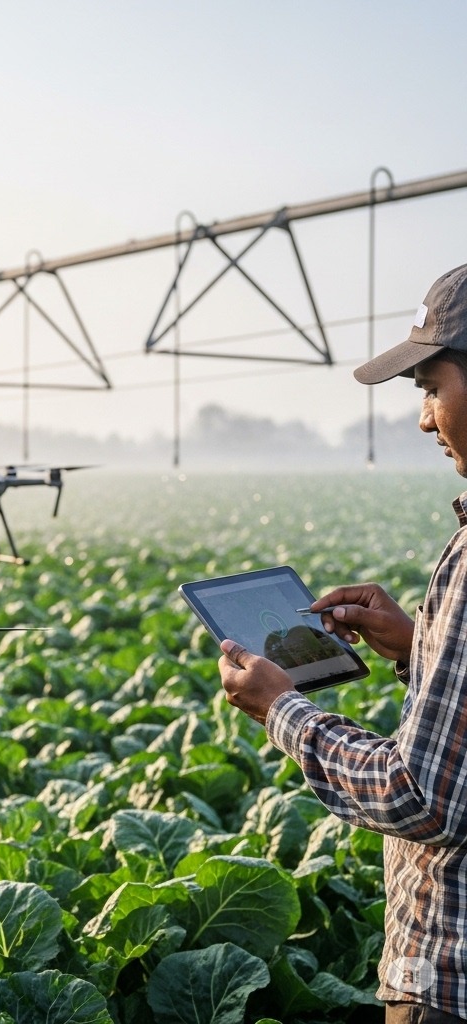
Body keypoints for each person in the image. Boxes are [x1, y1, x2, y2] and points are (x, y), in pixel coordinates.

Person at [217, 262, 467, 1023]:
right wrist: (415, 647)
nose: (425, 419)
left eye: (432, 385)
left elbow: (423, 797)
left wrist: (282, 708)